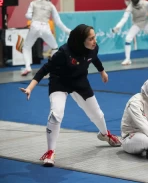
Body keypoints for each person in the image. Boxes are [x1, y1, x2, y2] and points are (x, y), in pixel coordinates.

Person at [19, 24, 122, 167]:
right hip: (60, 82)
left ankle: (105, 134)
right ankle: (50, 152)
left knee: (98, 114)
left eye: (94, 38)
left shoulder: (93, 48)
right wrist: (30, 88)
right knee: (56, 114)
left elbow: (94, 58)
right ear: (81, 40)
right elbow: (44, 69)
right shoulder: (63, 53)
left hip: (80, 81)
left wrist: (102, 71)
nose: (94, 41)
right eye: (91, 38)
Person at [21, 0, 71, 76]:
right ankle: (55, 67)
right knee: (54, 47)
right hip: (45, 28)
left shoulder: (33, 3)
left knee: (26, 47)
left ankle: (28, 67)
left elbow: (27, 15)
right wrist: (67, 31)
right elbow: (58, 22)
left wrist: (35, 16)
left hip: (34, 26)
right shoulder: (51, 5)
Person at [112, 0, 148, 65]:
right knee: (128, 39)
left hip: (146, 23)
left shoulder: (146, 3)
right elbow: (124, 18)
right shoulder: (130, 6)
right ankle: (127, 59)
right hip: (137, 24)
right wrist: (118, 27)